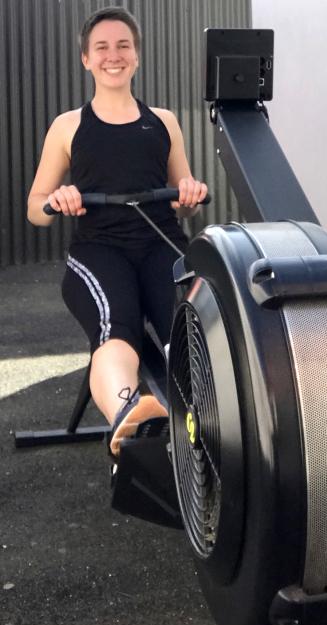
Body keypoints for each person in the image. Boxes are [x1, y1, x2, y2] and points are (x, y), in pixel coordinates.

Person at [27, 6, 208, 459]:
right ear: (86, 59)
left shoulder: (164, 121)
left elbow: (181, 202)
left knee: (193, 325)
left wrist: (187, 196)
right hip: (98, 251)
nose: (114, 55)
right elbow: (35, 210)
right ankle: (131, 416)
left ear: (137, 57)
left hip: (159, 244)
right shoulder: (68, 127)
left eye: (123, 46)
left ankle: (215, 424)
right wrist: (58, 199)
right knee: (116, 325)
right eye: (102, 47)